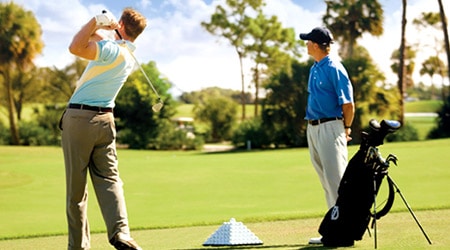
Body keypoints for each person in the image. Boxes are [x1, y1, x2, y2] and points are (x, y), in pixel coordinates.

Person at [60, 8, 146, 250]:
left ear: (121, 24)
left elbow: (75, 46)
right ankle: (121, 234)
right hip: (106, 122)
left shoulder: (110, 51)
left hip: (79, 119)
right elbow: (93, 40)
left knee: (76, 190)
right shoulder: (126, 55)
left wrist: (96, 21)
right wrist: (104, 29)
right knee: (110, 180)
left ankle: (78, 247)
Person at [299, 27, 355, 243]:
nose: (305, 44)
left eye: (307, 41)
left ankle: (345, 232)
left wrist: (346, 128)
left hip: (331, 127)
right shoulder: (315, 68)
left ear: (315, 45)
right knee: (326, 181)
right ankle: (334, 229)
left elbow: (348, 104)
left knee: (337, 181)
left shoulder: (334, 68)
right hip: (313, 127)